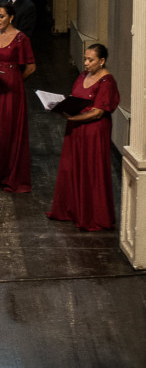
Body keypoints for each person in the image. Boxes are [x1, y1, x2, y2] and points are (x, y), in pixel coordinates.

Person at [48, 43, 120, 231]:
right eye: (85, 59)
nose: (86, 63)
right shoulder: (82, 75)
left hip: (94, 130)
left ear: (102, 61)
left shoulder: (107, 82)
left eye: (91, 60)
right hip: (77, 127)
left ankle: (93, 214)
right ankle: (74, 209)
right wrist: (63, 106)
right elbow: (75, 96)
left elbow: (97, 112)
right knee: (74, 167)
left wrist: (74, 117)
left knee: (91, 169)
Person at [0, 2, 36, 193]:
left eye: (2, 16)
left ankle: (9, 174)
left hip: (12, 91)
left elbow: (30, 67)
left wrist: (16, 80)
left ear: (11, 17)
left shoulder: (21, 38)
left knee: (7, 130)